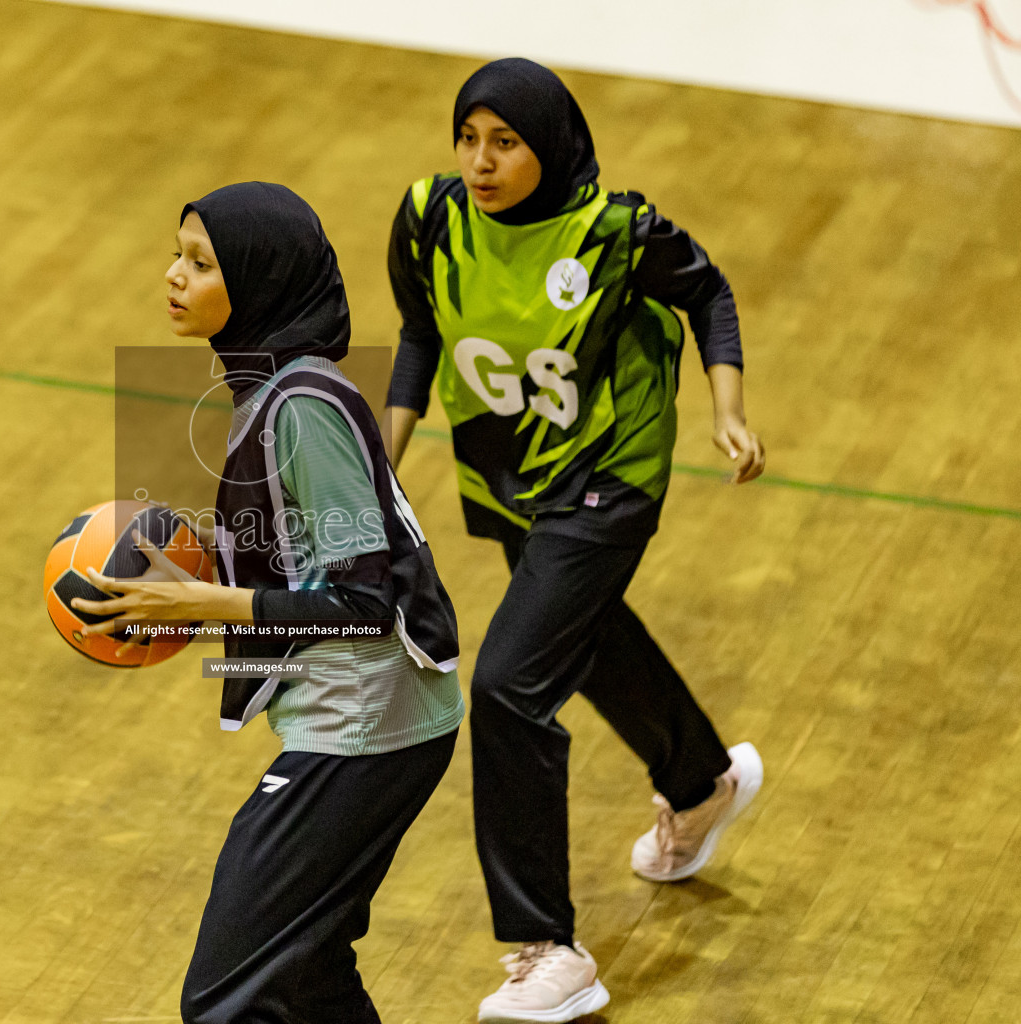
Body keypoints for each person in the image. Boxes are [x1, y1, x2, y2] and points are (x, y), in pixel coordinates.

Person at [384, 58, 766, 1022]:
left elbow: (709, 291)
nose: (480, 161)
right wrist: (378, 461)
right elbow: (421, 334)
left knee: (508, 684)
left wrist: (728, 408)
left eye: (504, 142)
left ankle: (548, 949)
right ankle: (700, 780)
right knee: (582, 636)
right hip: (513, 473)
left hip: (612, 472)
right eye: (468, 139)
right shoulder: (431, 218)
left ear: (548, 146)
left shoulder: (614, 232)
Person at [73, 181, 465, 1024]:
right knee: (309, 974)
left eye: (201, 263)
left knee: (225, 998)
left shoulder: (303, 406)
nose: (174, 276)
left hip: (365, 727)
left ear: (258, 280)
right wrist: (195, 571)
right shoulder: (274, 387)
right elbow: (309, 558)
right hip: (382, 717)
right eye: (178, 254)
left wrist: (204, 602)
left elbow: (361, 600)